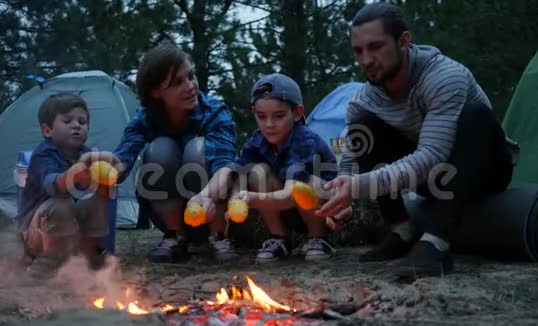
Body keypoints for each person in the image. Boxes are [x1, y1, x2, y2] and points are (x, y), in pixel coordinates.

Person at [317, 3, 514, 279]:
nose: (366, 60)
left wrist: (359, 186)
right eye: (358, 51)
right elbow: (351, 155)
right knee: (365, 127)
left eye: (376, 47)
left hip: (484, 169)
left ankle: (436, 242)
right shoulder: (363, 99)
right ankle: (402, 229)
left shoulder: (444, 76)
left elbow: (432, 154)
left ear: (404, 41)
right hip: (435, 180)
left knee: (475, 115)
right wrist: (343, 195)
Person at [83, 42, 238, 263]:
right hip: (167, 211)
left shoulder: (215, 112)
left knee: (197, 149)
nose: (190, 86)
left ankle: (219, 236)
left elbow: (225, 166)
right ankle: (175, 237)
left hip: (211, 207)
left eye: (191, 76)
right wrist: (111, 164)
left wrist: (204, 196)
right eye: (177, 83)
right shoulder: (145, 118)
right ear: (155, 92)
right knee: (160, 148)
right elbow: (124, 158)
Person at [226, 73, 350, 263]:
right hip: (282, 204)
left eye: (279, 116)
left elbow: (292, 194)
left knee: (310, 184)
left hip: (321, 210)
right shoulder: (257, 140)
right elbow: (239, 173)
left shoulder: (302, 140)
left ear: (298, 112)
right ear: (254, 113)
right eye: (261, 116)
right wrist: (235, 196)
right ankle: (279, 238)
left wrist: (252, 199)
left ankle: (317, 238)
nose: (269, 124)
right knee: (257, 172)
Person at [17, 93, 114, 278]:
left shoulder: (88, 155)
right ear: (47, 130)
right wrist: (71, 175)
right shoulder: (44, 155)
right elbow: (52, 185)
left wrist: (107, 177)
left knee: (97, 198)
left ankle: (87, 255)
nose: (77, 125)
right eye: (68, 121)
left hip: (73, 231)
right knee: (61, 203)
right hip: (38, 233)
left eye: (82, 121)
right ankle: (48, 262)